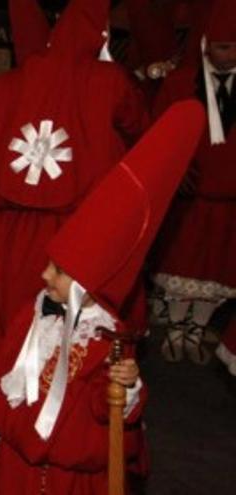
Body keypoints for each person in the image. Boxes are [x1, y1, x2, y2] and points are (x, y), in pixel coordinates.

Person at [0, 101, 205, 494]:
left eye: (58, 271)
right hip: (14, 461)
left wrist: (126, 386)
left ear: (88, 285)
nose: (44, 275)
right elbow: (4, 362)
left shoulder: (108, 340)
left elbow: (105, 406)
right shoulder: (36, 310)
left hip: (70, 471)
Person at [0, 0, 149, 327]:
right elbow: (139, 127)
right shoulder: (109, 79)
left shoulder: (7, 82)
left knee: (2, 323)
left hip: (6, 230)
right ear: (102, 34)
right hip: (76, 227)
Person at [151, 0, 236, 365]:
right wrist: (172, 169)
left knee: (216, 271)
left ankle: (196, 329)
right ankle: (175, 328)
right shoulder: (179, 83)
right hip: (188, 198)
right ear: (205, 45)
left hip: (230, 197)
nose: (229, 55)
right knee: (182, 265)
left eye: (235, 48)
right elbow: (156, 136)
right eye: (222, 47)